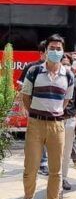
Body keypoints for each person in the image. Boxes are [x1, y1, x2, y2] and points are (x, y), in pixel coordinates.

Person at [20, 34, 74, 199]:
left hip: (57, 126)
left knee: (56, 170)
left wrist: (52, 113)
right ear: (45, 51)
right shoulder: (34, 71)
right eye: (52, 48)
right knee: (31, 168)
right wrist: (35, 114)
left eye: (59, 49)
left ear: (63, 51)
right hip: (35, 124)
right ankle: (28, 198)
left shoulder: (68, 75)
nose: (55, 51)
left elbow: (66, 101)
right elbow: (25, 96)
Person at [17, 40, 49, 176]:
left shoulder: (55, 69)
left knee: (48, 138)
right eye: (48, 51)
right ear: (41, 53)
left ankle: (43, 162)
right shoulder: (32, 68)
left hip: (50, 110)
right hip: (34, 109)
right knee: (35, 137)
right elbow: (21, 88)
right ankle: (40, 163)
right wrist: (23, 106)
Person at [59, 54, 76, 195]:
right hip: (55, 121)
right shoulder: (53, 81)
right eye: (64, 63)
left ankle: (63, 178)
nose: (67, 66)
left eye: (68, 63)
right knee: (56, 152)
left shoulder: (75, 82)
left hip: (70, 120)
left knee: (67, 151)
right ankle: (55, 180)